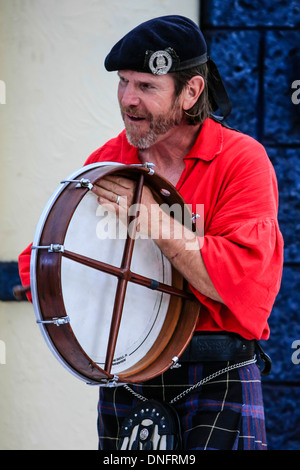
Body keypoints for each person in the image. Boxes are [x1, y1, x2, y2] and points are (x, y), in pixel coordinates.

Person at [18, 15, 284, 450]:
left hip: (215, 373)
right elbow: (45, 259)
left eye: (146, 87)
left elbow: (244, 280)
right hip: (128, 378)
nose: (128, 100)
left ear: (191, 91)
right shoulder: (108, 161)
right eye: (124, 82)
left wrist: (150, 218)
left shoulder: (241, 161)